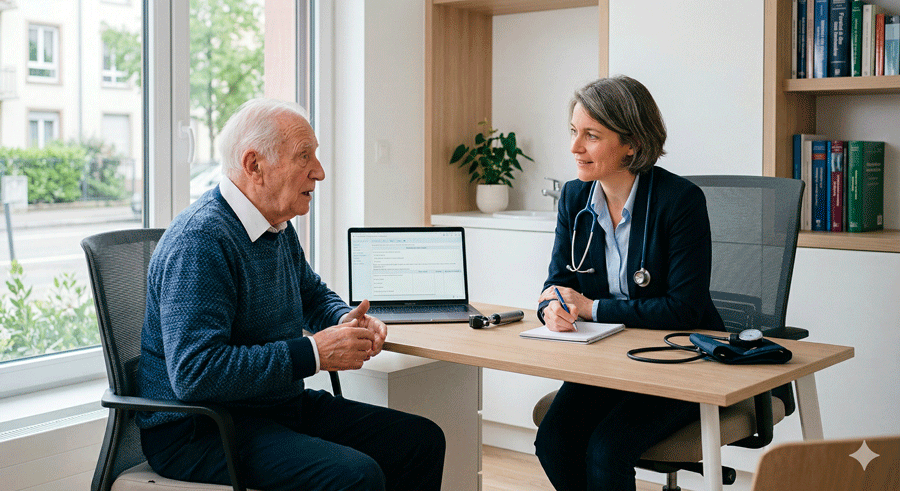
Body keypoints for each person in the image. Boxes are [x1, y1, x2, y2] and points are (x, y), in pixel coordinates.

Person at [137, 98, 445, 491]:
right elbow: (197, 373)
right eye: (304, 156)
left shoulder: (275, 226)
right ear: (254, 166)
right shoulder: (200, 242)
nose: (319, 171)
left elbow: (311, 295)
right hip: (203, 428)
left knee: (420, 440)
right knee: (356, 476)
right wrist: (314, 353)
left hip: (272, 406)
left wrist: (342, 320)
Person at [533, 76, 725, 491]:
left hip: (680, 362)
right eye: (573, 132)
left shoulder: (680, 201)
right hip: (609, 364)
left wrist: (590, 308)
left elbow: (683, 308)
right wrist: (552, 307)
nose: (574, 147)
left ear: (632, 143)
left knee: (606, 451)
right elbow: (557, 282)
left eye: (591, 135)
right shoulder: (574, 198)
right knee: (554, 441)